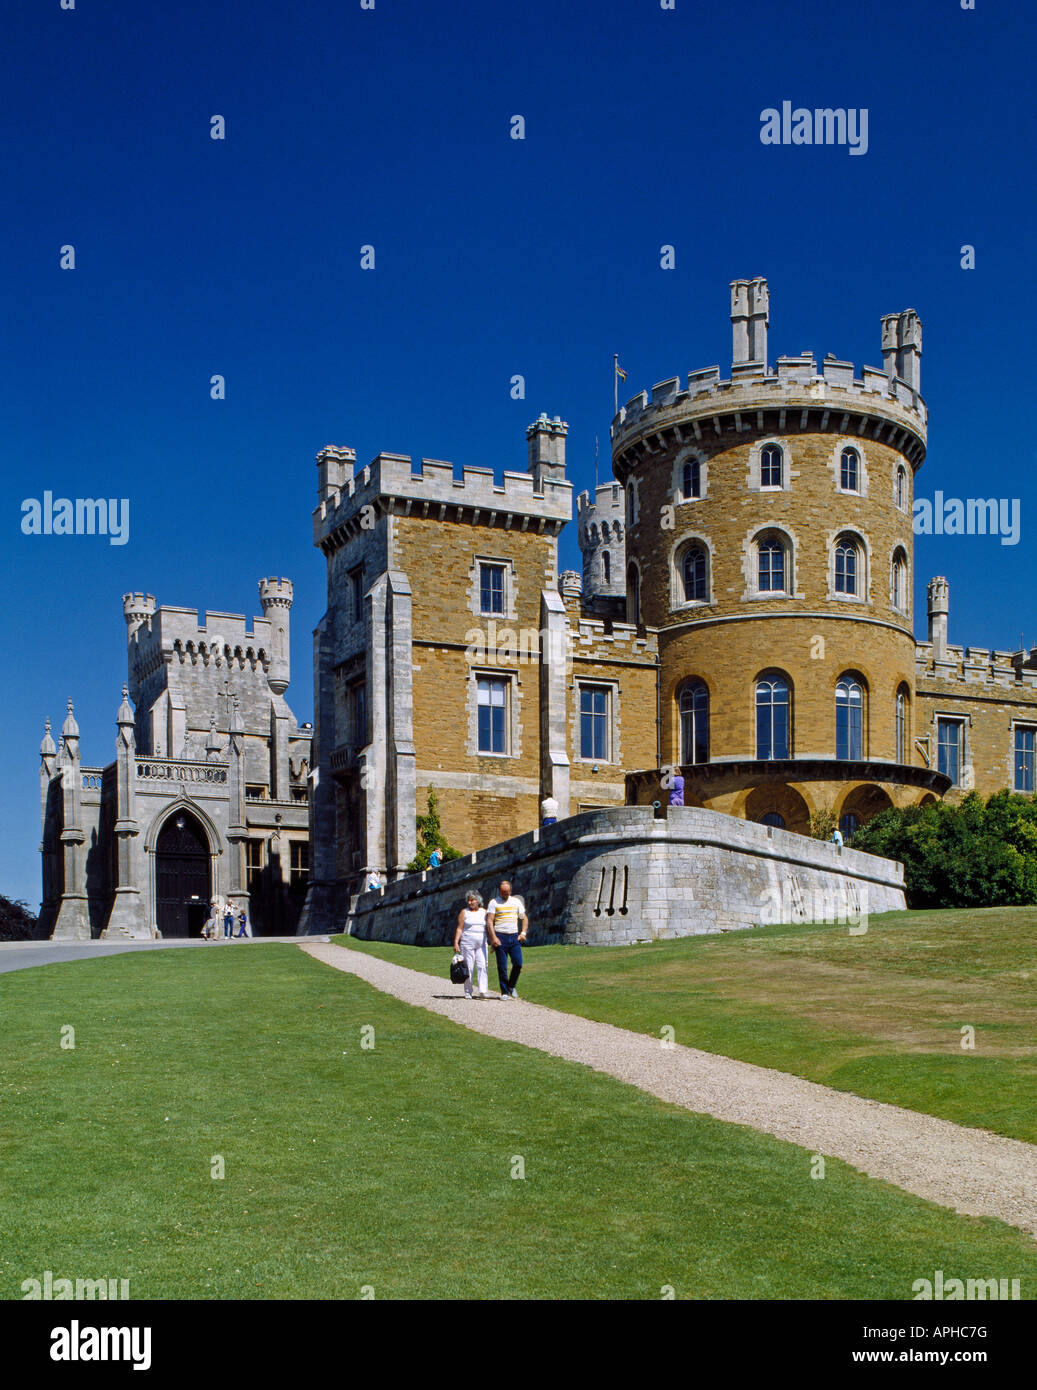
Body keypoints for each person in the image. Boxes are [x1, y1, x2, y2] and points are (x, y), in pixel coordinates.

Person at [487, 880, 528, 999]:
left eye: (506, 892)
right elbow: (490, 921)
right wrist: (493, 938)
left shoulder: (516, 902)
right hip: (500, 936)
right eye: (502, 892)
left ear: (510, 891)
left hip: (514, 936)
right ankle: (504, 992)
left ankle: (511, 985)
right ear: (499, 891)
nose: (504, 894)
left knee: (518, 963)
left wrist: (523, 933)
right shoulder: (494, 902)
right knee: (502, 966)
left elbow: (524, 918)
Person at [454, 890, 489, 999]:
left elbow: (489, 928)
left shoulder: (484, 912)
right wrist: (456, 942)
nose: (470, 902)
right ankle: (468, 990)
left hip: (482, 942)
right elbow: (460, 928)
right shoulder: (464, 912)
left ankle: (483, 990)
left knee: (482, 965)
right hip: (467, 942)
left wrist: (493, 940)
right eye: (468, 900)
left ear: (478, 901)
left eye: (472, 900)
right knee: (468, 966)